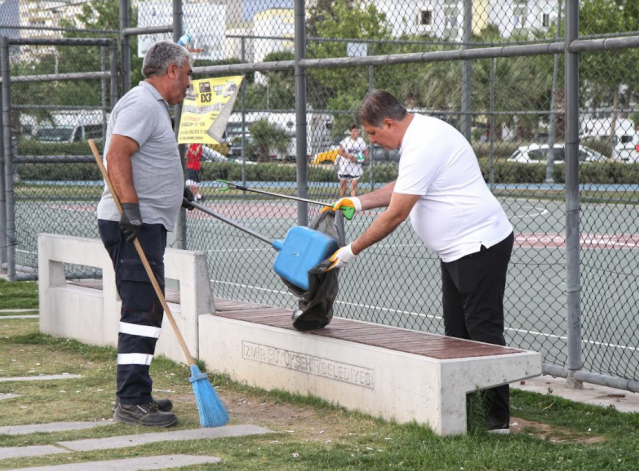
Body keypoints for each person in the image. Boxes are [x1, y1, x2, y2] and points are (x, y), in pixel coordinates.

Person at [327, 90, 514, 433]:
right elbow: (404, 186)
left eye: (372, 133)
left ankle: (495, 421)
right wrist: (360, 201)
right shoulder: (418, 136)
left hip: (479, 245)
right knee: (457, 334)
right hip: (457, 250)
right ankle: (466, 409)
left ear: (388, 123)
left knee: (483, 334)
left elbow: (397, 213)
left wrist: (351, 250)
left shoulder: (424, 142)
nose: (371, 141)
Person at [96, 40, 193, 427]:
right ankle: (130, 401)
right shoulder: (142, 104)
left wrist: (175, 190)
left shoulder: (150, 105)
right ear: (170, 71)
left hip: (146, 221)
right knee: (141, 310)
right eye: (186, 74)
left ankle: (139, 392)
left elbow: (145, 158)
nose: (188, 83)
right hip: (134, 222)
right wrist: (132, 207)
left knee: (146, 307)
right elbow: (117, 154)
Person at [335, 123, 369, 197]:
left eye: (357, 131)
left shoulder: (361, 141)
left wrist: (364, 158)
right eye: (354, 131)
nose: (356, 132)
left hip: (355, 166)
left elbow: (366, 151)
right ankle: (342, 200)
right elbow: (340, 151)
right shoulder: (346, 140)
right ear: (350, 132)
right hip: (345, 165)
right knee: (343, 183)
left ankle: (352, 201)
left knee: (354, 184)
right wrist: (350, 157)